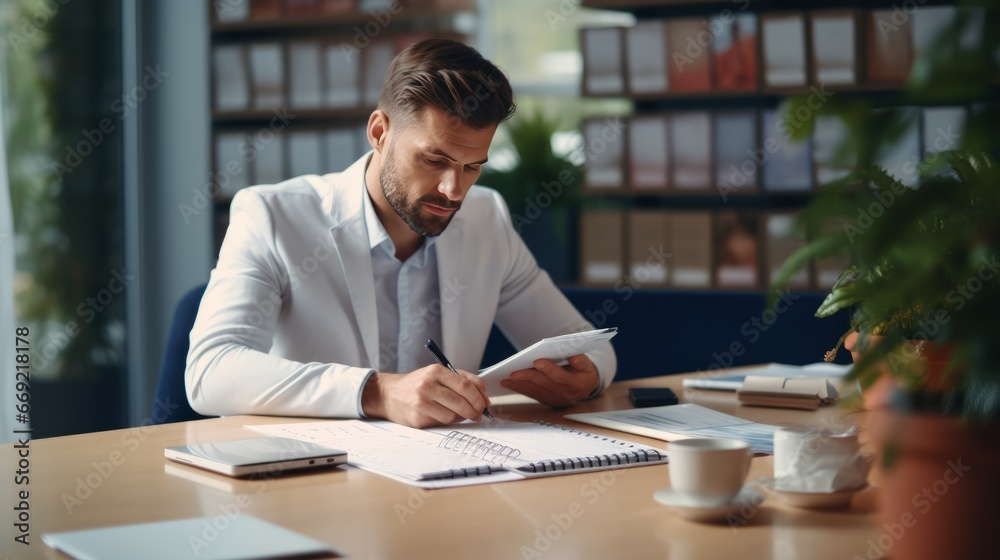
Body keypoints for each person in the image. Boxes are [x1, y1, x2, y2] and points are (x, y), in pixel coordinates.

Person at [186, 39, 616, 428]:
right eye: (434, 159)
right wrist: (379, 392)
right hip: (314, 479)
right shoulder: (273, 216)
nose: (454, 190)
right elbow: (210, 371)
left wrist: (587, 377)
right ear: (379, 133)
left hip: (450, 475)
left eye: (472, 167)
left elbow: (589, 345)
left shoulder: (486, 217)